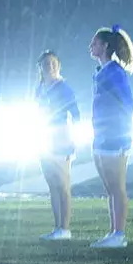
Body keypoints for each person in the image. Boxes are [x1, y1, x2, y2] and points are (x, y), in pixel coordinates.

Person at [89, 26, 133, 248]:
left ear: (106, 46)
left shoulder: (115, 72)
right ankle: (113, 231)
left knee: (117, 186)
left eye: (95, 43)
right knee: (110, 188)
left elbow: (127, 102)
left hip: (114, 138)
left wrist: (124, 132)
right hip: (101, 137)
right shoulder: (101, 71)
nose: (91, 46)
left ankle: (119, 233)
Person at [35, 50, 80, 241]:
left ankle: (65, 228)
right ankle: (57, 228)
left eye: (53, 63)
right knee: (52, 185)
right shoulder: (39, 89)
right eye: (46, 64)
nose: (50, 66)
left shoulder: (64, 88)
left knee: (63, 185)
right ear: (40, 67)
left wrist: (73, 139)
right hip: (44, 140)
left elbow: (75, 114)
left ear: (59, 66)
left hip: (61, 140)